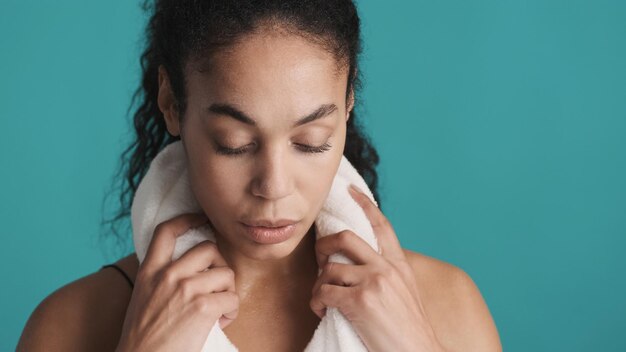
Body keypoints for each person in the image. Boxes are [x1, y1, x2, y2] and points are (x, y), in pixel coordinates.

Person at [17, 1, 502, 351]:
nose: (274, 186)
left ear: (348, 105)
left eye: (310, 141)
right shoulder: (71, 327)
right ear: (171, 102)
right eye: (235, 142)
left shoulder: (445, 305)